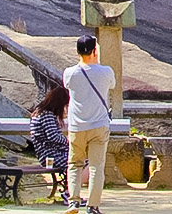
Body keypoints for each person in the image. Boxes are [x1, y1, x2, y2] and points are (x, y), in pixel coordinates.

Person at [64, 35, 116, 214]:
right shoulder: (106, 72)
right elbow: (112, 85)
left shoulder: (69, 73)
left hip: (77, 126)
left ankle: (73, 202)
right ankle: (93, 206)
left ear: (77, 52)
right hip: (99, 125)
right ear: (95, 50)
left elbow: (68, 86)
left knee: (74, 164)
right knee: (96, 167)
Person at [29, 85, 70, 206]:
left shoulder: (42, 113)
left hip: (51, 154)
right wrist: (68, 141)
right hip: (51, 156)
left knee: (82, 161)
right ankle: (70, 193)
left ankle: (70, 192)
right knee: (80, 163)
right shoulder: (46, 115)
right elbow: (53, 137)